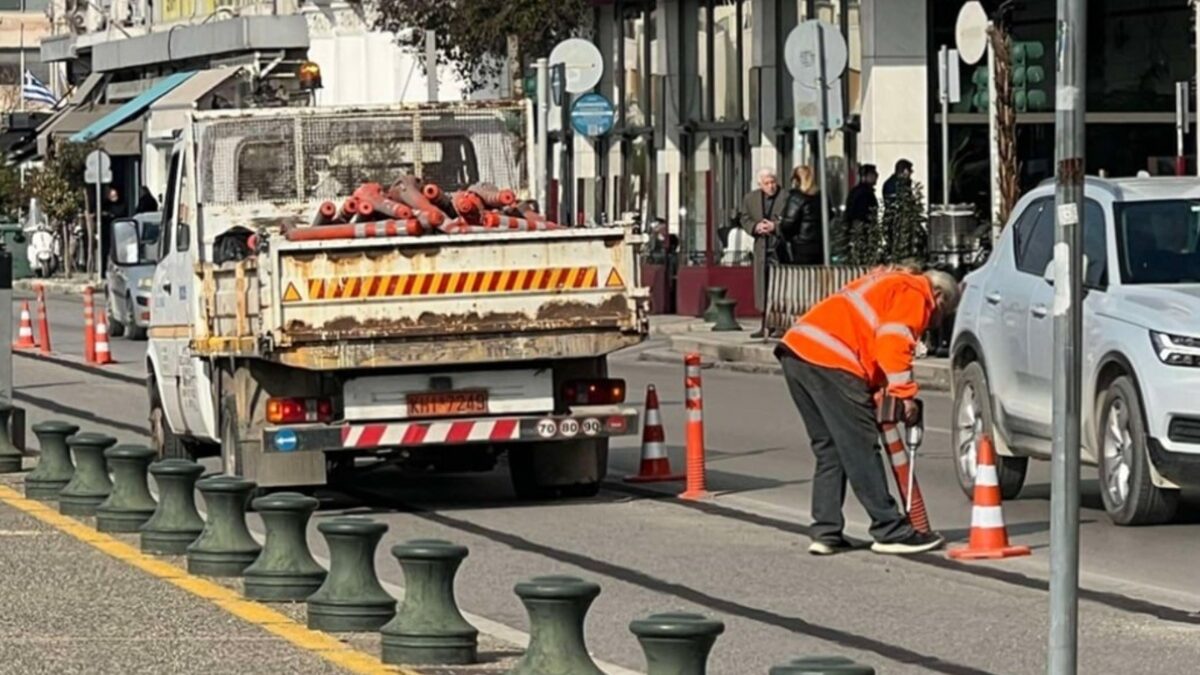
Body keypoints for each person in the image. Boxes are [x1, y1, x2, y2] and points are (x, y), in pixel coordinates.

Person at [776, 265, 960, 556]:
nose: (934, 322)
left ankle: (825, 532)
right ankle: (889, 530)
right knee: (860, 447)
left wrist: (877, 388)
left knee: (830, 449)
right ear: (937, 294)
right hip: (832, 359)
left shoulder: (887, 281)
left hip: (797, 352)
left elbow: (869, 338)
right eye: (941, 312)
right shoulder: (916, 293)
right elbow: (893, 341)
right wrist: (904, 396)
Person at [739, 168, 788, 338]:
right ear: (760, 184)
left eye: (773, 182)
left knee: (780, 287)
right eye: (766, 183)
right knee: (763, 287)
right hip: (761, 246)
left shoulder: (785, 196)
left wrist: (775, 226)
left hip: (779, 247)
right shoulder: (751, 199)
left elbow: (791, 219)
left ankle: (780, 324)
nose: (771, 186)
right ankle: (765, 324)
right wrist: (755, 227)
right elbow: (744, 218)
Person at [779, 165, 825, 266]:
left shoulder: (796, 197)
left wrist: (781, 226)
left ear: (795, 180)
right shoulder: (821, 195)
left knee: (802, 276)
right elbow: (830, 215)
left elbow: (789, 223)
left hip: (801, 245)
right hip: (820, 244)